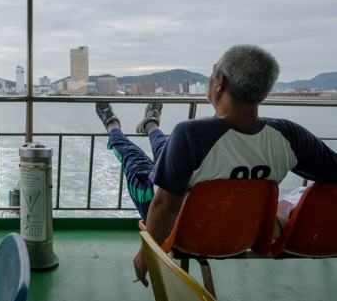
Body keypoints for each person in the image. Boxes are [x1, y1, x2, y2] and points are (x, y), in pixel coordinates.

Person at [95, 44, 337, 287]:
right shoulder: (289, 135)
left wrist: (146, 254)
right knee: (166, 149)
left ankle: (113, 126)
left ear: (220, 82)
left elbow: (164, 206)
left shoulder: (191, 134)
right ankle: (151, 124)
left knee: (133, 159)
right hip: (244, 236)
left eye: (212, 73)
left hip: (184, 234)